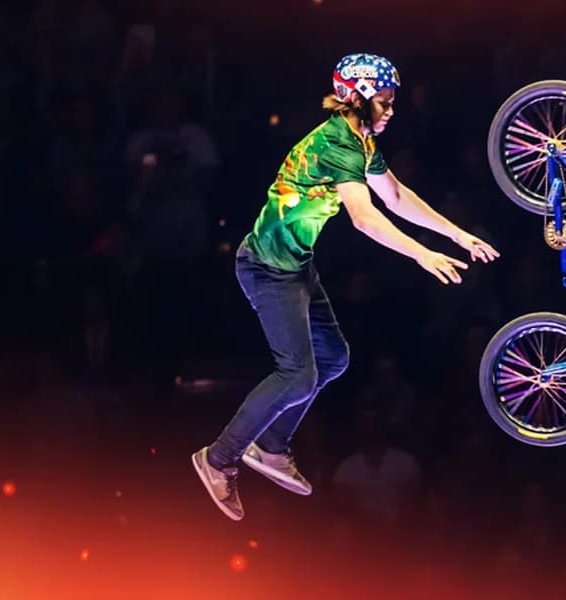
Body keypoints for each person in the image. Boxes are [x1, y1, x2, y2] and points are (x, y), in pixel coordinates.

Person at [192, 53, 500, 520]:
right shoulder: (339, 144)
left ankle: (271, 446)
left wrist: (456, 234)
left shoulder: (360, 141)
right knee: (298, 374)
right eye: (385, 101)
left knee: (333, 358)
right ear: (356, 98)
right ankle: (219, 458)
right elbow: (364, 218)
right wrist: (422, 254)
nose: (392, 110)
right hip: (266, 268)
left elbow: (395, 196)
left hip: (295, 265)